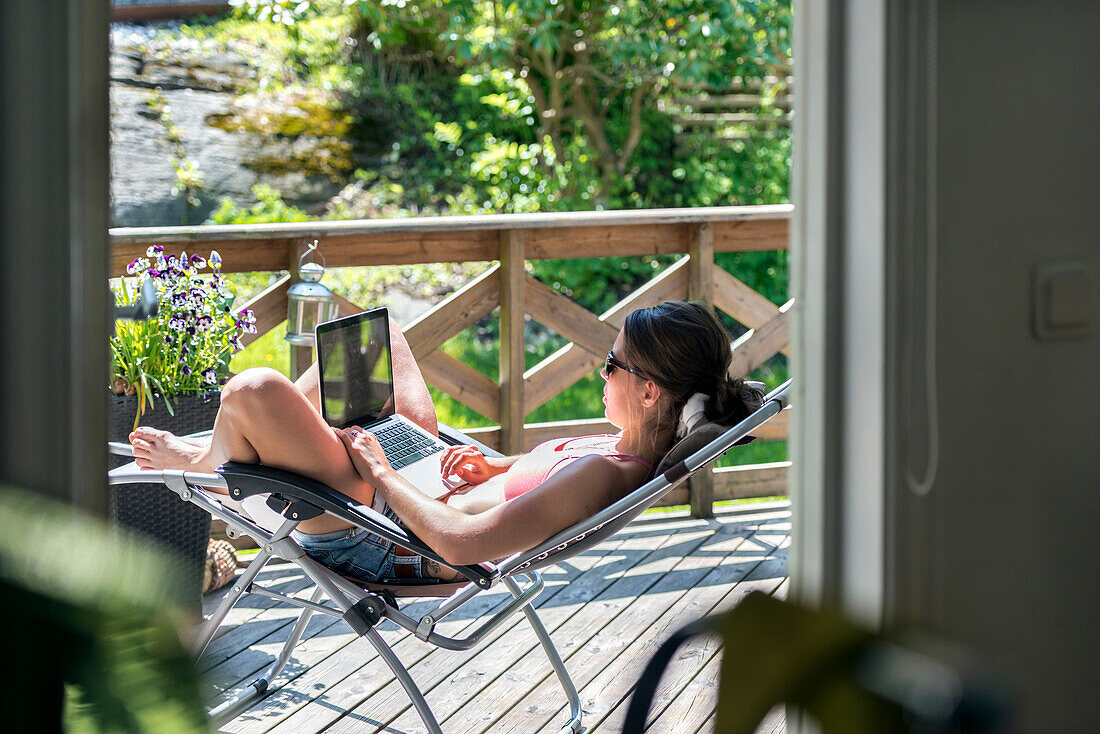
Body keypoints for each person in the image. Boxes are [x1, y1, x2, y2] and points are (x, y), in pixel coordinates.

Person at [130, 301, 762, 584]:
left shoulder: (607, 476)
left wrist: (379, 472)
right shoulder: (626, 448)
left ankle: (219, 458)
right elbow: (543, 482)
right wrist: (494, 466)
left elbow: (463, 543)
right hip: (426, 484)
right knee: (379, 341)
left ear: (651, 392)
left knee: (254, 388)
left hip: (381, 532)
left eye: (612, 364)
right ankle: (290, 443)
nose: (602, 371)